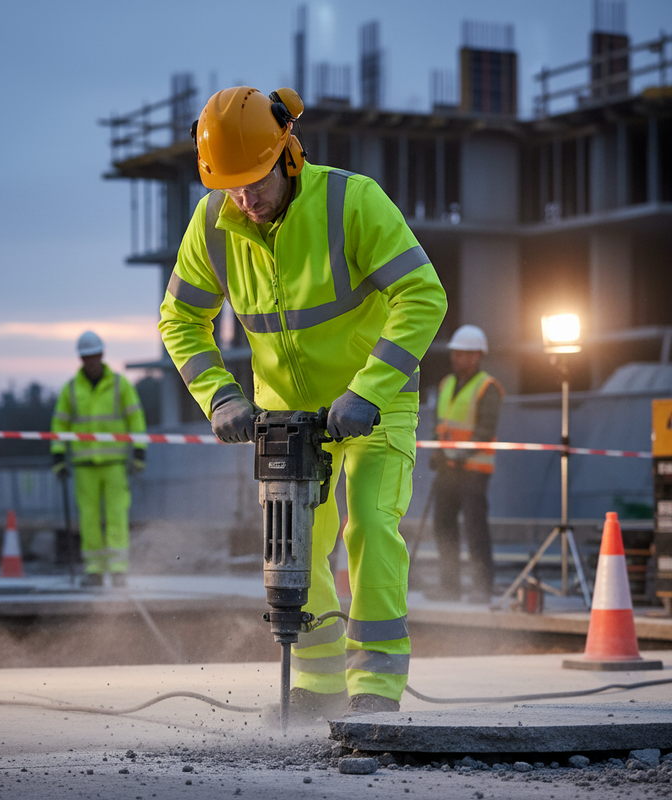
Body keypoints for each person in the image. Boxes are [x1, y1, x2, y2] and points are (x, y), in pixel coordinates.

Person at [158, 86, 446, 719]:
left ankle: (375, 689)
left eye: (255, 181)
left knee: (369, 525)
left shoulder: (352, 202)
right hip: (287, 417)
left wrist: (368, 389)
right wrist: (220, 396)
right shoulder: (213, 224)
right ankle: (317, 687)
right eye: (230, 187)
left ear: (287, 154)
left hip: (373, 402)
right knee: (296, 546)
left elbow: (423, 295)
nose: (245, 199)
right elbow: (179, 319)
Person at [51, 331, 147, 588]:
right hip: (84, 465)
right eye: (86, 357)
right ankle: (94, 569)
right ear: (81, 358)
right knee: (89, 518)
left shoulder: (119, 385)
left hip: (114, 463)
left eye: (94, 356)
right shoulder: (71, 389)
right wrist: (58, 456)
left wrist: (139, 450)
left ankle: (117, 569)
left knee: (117, 515)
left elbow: (135, 418)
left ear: (101, 355)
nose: (90, 361)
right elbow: (60, 424)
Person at [429, 324, 504, 603]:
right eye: (454, 353)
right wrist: (436, 451)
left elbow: (484, 431)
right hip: (447, 471)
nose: (454, 358)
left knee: (475, 530)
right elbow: (440, 425)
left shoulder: (488, 387)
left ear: (476, 356)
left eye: (461, 353)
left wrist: (458, 455)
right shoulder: (446, 384)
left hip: (473, 472)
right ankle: (450, 587)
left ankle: (482, 587)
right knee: (443, 527)